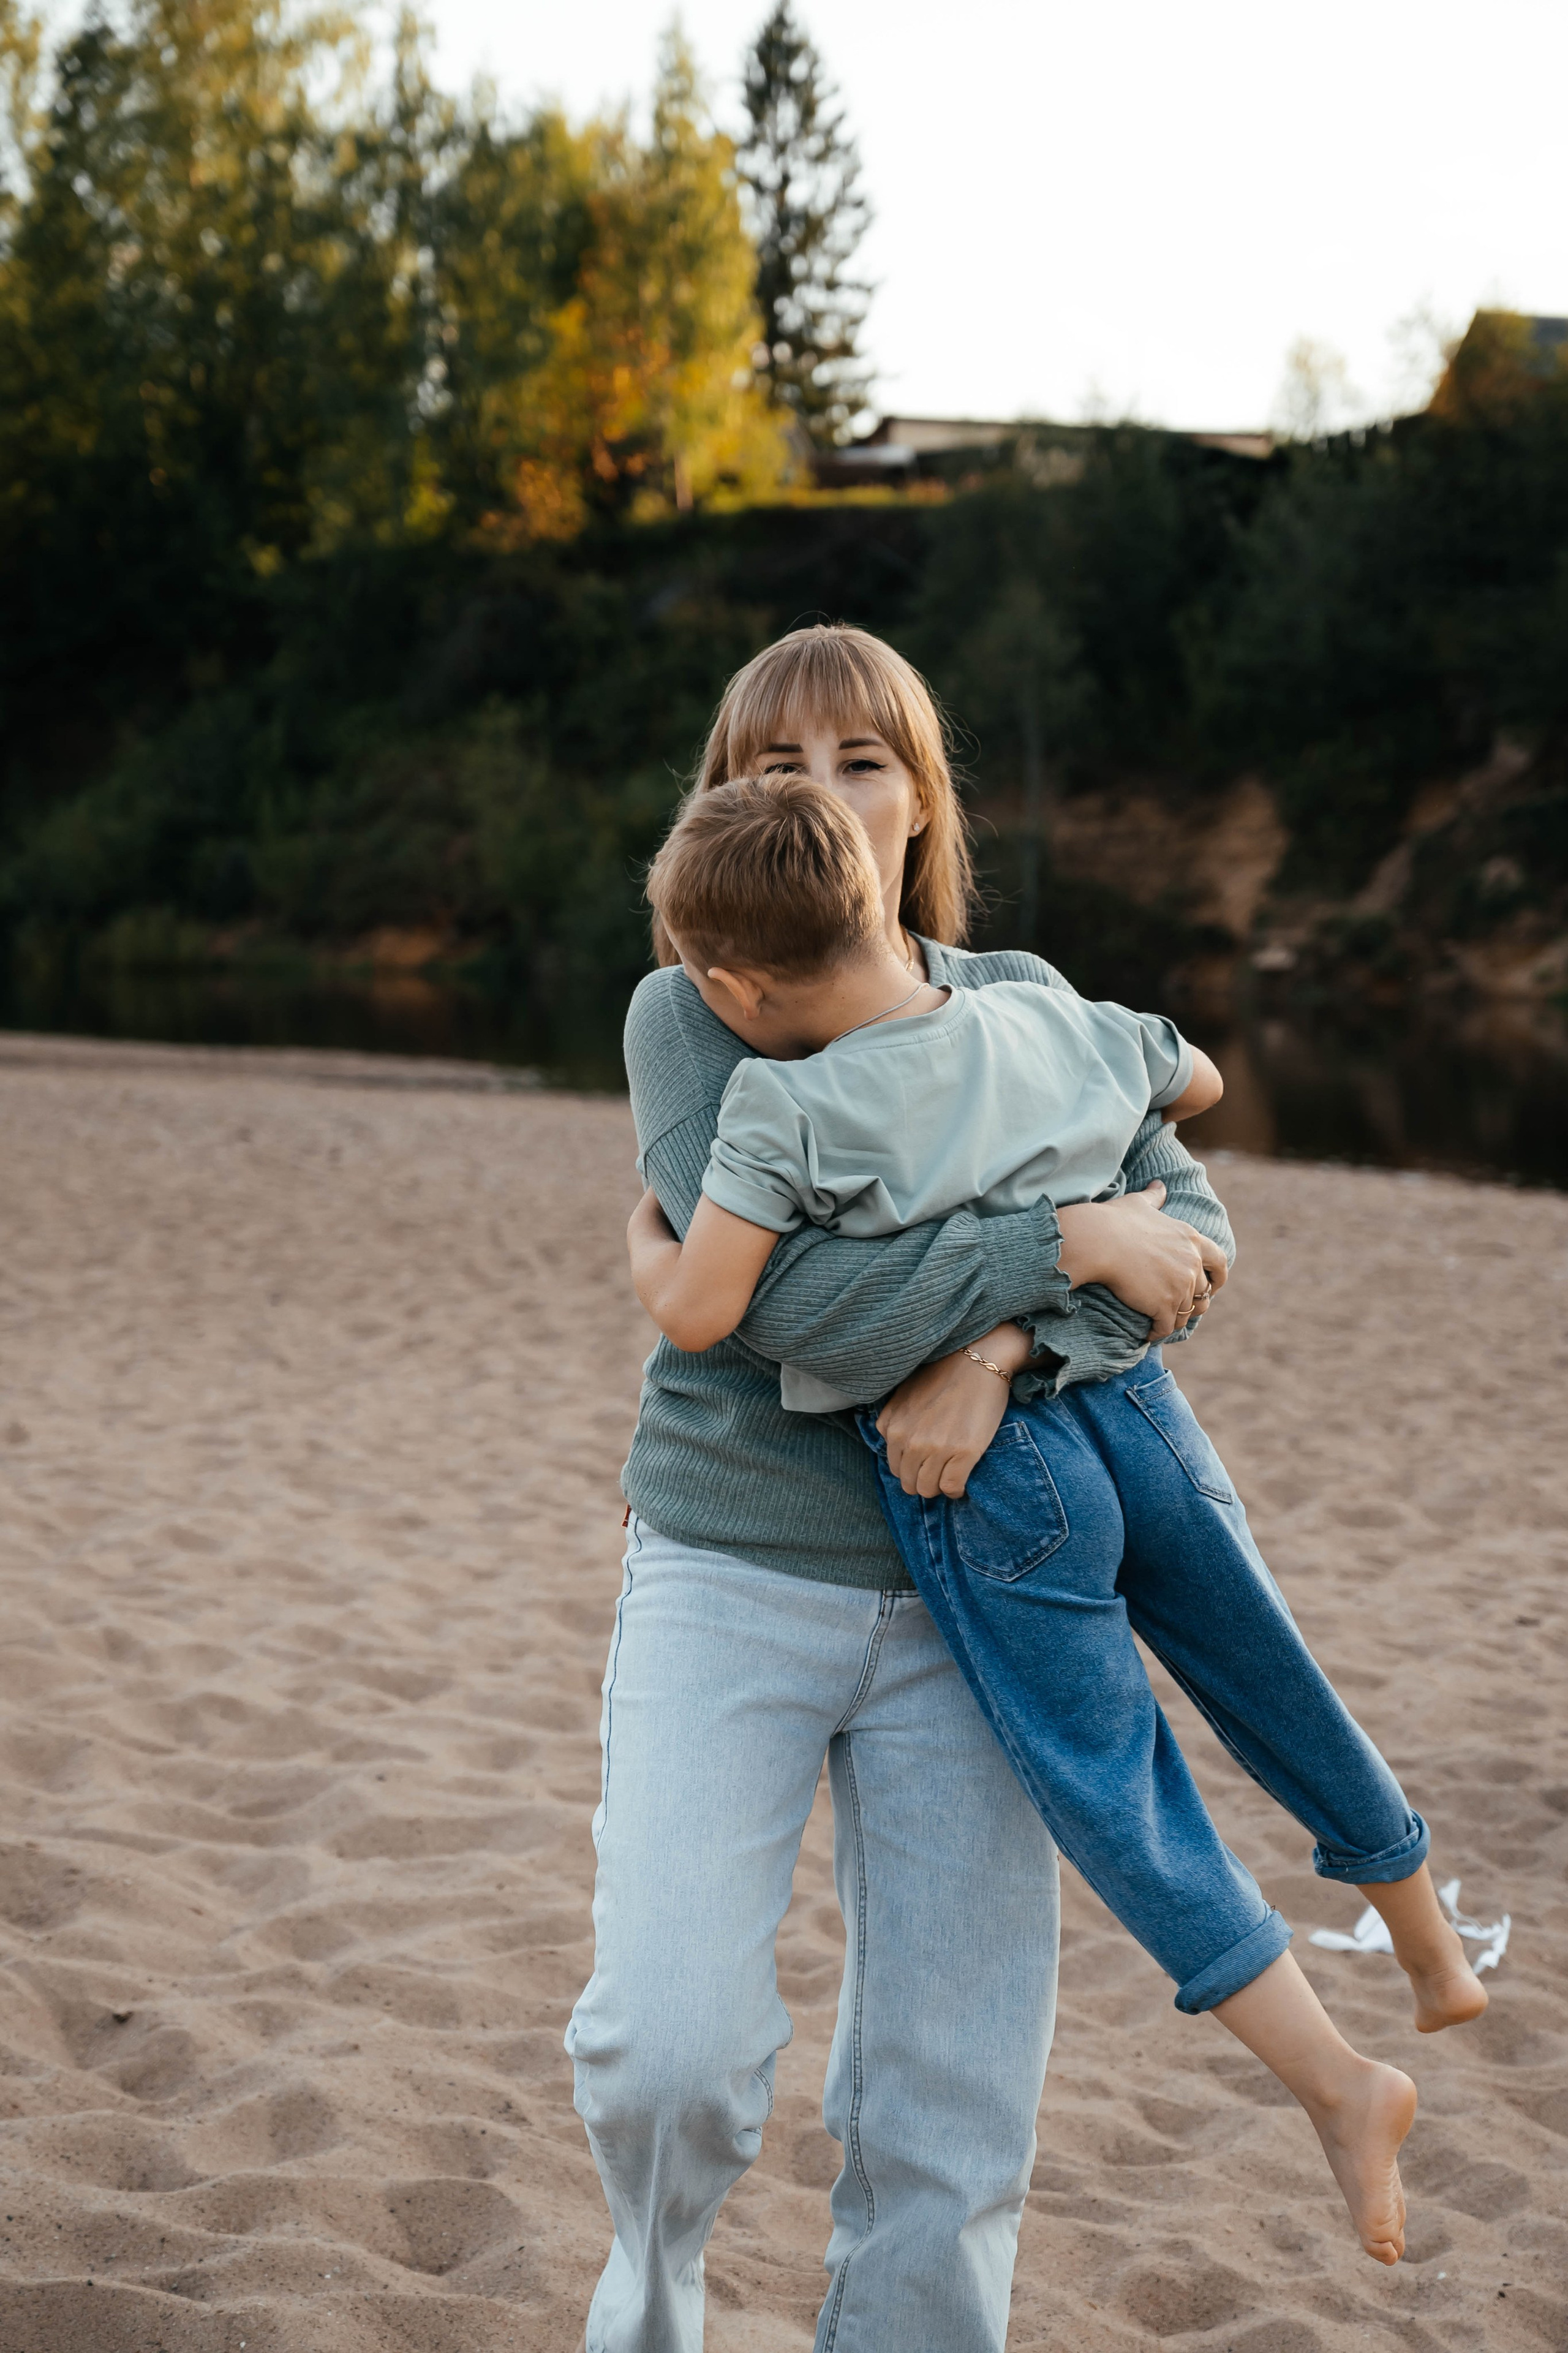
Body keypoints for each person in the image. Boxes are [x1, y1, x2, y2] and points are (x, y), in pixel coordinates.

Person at [625, 768, 1488, 2272]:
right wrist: (1066, 1184)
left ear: (729, 981)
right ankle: (1413, 1920)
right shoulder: (1047, 1015)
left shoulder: (778, 1098)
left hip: (999, 1481)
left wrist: (642, 1237)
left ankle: (1341, 2081)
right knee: (1259, 1659)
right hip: (1133, 1410)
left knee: (1114, 1777)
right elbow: (1197, 1086)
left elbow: (711, 1309)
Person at [571, 623, 1262, 2353]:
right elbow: (783, 1311)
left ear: (922, 802)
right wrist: (1057, 1241)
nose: (818, 791)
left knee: (952, 2107)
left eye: (858, 758)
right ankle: (650, 2302)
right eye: (770, 765)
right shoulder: (696, 1001)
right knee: (667, 2048)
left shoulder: (1029, 1002)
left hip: (986, 1581)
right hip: (732, 1558)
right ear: (719, 816)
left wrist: (1003, 1349)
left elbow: (1193, 1236)